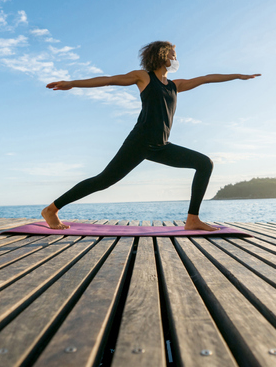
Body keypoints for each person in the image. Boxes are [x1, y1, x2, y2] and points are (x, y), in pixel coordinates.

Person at [41, 41, 260, 230]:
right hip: (139, 141)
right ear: (163, 56)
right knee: (103, 181)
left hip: (160, 145)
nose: (176, 59)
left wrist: (237, 76)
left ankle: (192, 219)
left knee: (204, 163)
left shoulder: (175, 85)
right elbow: (109, 80)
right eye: (174, 55)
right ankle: (51, 210)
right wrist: (71, 83)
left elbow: (206, 78)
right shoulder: (144, 78)